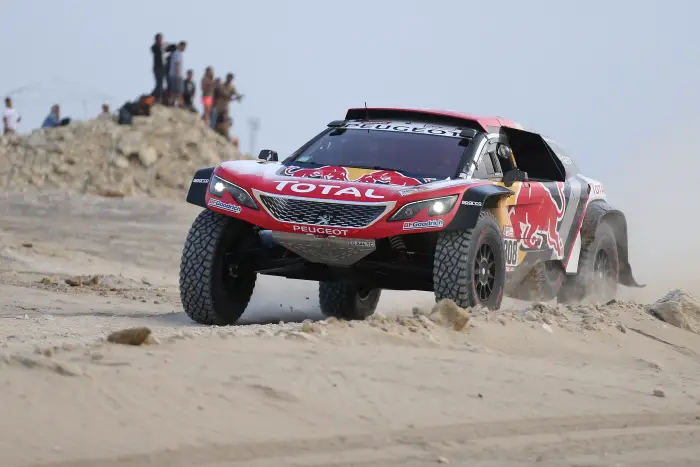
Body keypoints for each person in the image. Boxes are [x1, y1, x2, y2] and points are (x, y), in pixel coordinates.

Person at [167, 41, 187, 107]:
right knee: (178, 92)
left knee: (174, 92)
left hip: (173, 75)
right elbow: (177, 65)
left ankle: (172, 104)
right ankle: (176, 104)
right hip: (176, 75)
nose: (184, 48)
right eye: (184, 47)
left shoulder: (176, 53)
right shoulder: (178, 54)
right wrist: (177, 75)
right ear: (181, 46)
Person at [150, 33, 167, 103]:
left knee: (160, 84)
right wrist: (161, 46)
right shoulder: (155, 47)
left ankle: (156, 98)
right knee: (159, 85)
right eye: (160, 38)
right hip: (158, 68)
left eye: (161, 38)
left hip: (162, 68)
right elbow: (153, 49)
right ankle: (155, 98)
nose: (161, 40)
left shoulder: (162, 47)